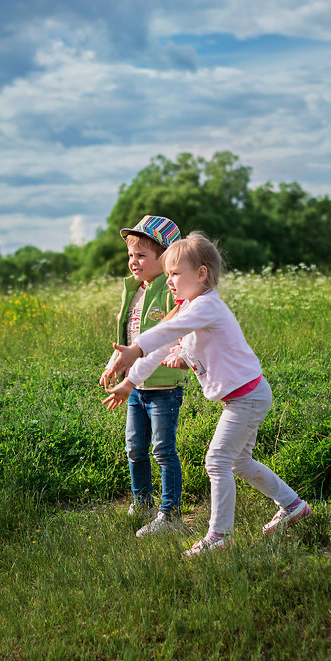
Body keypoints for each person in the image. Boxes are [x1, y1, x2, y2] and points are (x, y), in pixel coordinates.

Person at [103, 232, 312, 555]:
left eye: (175, 273)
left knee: (217, 461)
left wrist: (135, 347)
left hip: (248, 397)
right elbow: (163, 349)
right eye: (167, 273)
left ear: (201, 274)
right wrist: (130, 382)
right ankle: (293, 506)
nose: (169, 280)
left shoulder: (205, 305)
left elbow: (165, 333)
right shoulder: (191, 308)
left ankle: (220, 537)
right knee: (239, 462)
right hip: (246, 396)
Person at [99, 215, 187, 537]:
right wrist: (114, 364)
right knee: (134, 447)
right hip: (134, 388)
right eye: (130, 255)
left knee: (163, 449)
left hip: (163, 387)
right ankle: (142, 503)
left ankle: (171, 515)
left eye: (141, 255)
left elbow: (169, 336)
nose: (133, 262)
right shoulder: (135, 292)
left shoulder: (171, 290)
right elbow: (129, 339)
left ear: (165, 257)